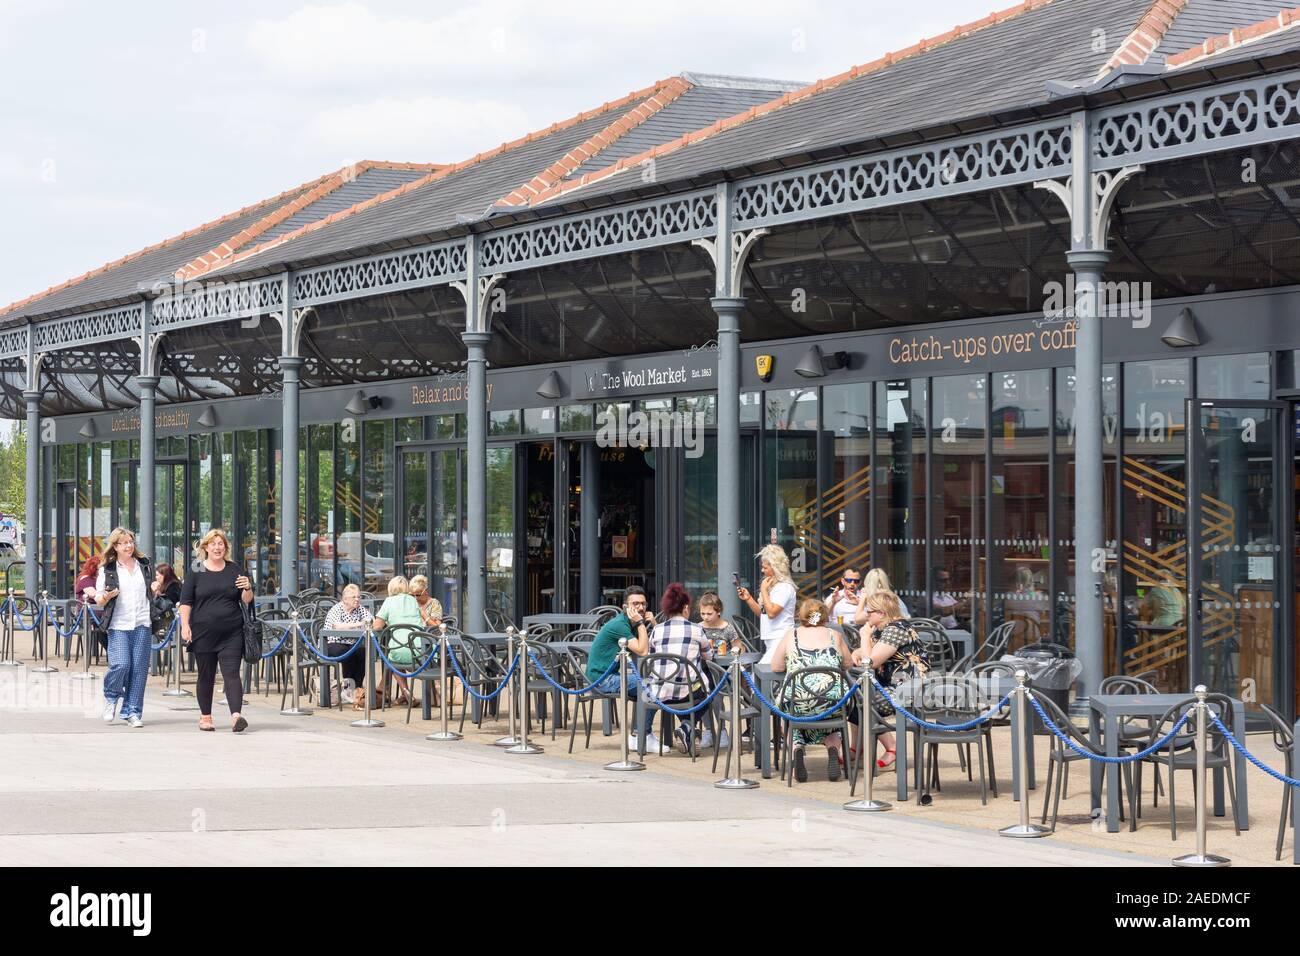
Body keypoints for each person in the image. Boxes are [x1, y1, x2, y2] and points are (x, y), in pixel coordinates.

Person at [771, 597, 855, 782]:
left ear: (802, 615)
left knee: (788, 713)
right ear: (824, 615)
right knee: (833, 716)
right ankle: (833, 748)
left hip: (798, 702)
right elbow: (848, 664)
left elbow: (776, 667)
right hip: (833, 703)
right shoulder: (835, 635)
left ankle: (796, 749)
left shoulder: (791, 635)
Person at [179, 529, 254, 733]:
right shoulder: (197, 569)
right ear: (205, 547)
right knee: (206, 675)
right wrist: (185, 625)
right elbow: (186, 602)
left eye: (221, 544)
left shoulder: (234, 569)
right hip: (203, 632)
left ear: (226, 547)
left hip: (232, 631)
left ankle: (236, 716)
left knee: (231, 673)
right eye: (213, 543)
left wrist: (248, 587)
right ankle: (206, 717)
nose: (217, 547)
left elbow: (246, 601)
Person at [851, 590, 930, 769]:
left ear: (881, 613)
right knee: (855, 698)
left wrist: (864, 638)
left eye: (869, 612)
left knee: (861, 701)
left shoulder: (896, 629)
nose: (865, 615)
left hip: (908, 690)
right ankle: (860, 748)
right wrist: (860, 650)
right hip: (894, 686)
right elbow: (866, 652)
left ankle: (890, 748)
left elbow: (871, 662)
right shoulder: (883, 629)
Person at [636, 583, 717, 754]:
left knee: (682, 684)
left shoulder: (657, 630)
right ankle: (687, 726)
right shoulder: (696, 629)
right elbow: (709, 657)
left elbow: (650, 657)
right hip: (688, 694)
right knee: (711, 685)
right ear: (686, 608)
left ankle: (683, 728)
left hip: (660, 693)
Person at [94, 528, 155, 728]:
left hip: (142, 622)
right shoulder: (109, 569)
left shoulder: (144, 565)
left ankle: (132, 712)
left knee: (138, 670)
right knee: (121, 664)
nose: (129, 546)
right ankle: (111, 696)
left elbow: (151, 589)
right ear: (115, 546)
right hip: (119, 624)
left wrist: (156, 587)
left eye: (130, 541)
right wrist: (107, 596)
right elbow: (100, 599)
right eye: (124, 543)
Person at [586, 586, 653, 714]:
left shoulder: (631, 624)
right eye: (635, 604)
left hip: (612, 676)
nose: (640, 607)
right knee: (650, 685)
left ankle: (642, 730)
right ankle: (641, 731)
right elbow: (642, 651)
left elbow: (650, 650)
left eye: (643, 604)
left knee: (656, 683)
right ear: (625, 607)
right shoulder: (620, 625)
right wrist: (640, 623)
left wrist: (654, 624)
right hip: (601, 679)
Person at [736, 544, 797, 665]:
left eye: (765, 568)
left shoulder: (784, 587)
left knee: (762, 672)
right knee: (768, 676)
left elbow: (772, 613)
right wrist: (749, 599)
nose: (762, 571)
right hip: (772, 638)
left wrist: (763, 590)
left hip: (781, 638)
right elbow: (763, 613)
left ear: (775, 568)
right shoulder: (773, 587)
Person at [371, 575, 425, 705]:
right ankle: (401, 692)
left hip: (399, 650)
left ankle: (405, 692)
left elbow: (377, 626)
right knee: (395, 655)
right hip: (421, 650)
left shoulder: (389, 601)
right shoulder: (413, 600)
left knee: (392, 658)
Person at [323, 583, 374, 710]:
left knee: (363, 653)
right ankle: (347, 688)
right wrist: (357, 624)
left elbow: (370, 620)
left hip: (351, 643)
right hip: (332, 643)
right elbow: (336, 626)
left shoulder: (360, 609)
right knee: (348, 654)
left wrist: (364, 622)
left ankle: (356, 688)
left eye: (358, 596)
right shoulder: (337, 609)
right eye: (353, 597)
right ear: (345, 599)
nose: (357, 599)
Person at [697, 592, 742, 656]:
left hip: (725, 664)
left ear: (719, 611)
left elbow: (739, 649)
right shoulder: (697, 628)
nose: (705, 617)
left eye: (709, 614)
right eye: (702, 613)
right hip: (703, 664)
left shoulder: (727, 628)